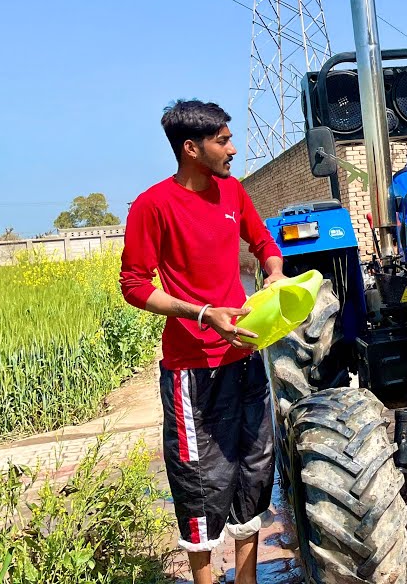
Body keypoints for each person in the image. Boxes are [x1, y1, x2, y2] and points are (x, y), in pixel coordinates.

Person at [119, 100, 286, 584]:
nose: (233, 149)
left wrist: (273, 274)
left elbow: (264, 244)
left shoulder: (233, 192)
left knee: (254, 471)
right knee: (201, 481)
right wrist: (201, 313)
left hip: (245, 357)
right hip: (192, 370)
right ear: (192, 148)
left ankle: (248, 579)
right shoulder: (153, 206)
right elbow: (133, 285)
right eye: (223, 140)